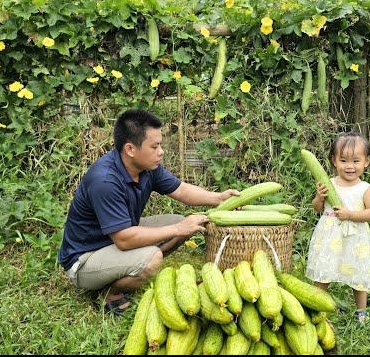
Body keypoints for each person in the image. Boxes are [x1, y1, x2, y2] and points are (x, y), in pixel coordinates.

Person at [57, 109, 240, 315]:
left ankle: (128, 270)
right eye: (154, 146)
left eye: (160, 144)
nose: (161, 151)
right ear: (130, 149)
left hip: (114, 240)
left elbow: (180, 189)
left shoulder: (147, 168)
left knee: (179, 223)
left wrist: (218, 198)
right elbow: (124, 240)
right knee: (154, 256)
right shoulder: (105, 181)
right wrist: (178, 229)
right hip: (85, 259)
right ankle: (109, 291)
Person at [305, 131, 370, 325]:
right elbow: (317, 209)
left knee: (358, 273)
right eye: (344, 160)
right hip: (329, 234)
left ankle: (361, 312)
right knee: (324, 270)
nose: (350, 166)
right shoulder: (328, 184)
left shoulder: (365, 188)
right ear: (334, 160)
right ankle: (317, 308)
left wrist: (351, 215)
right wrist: (319, 197)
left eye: (356, 161)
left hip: (355, 237)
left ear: (366, 162)